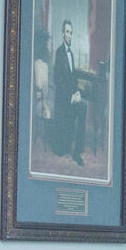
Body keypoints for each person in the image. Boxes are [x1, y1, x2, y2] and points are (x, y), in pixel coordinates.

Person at [47, 18, 85, 166]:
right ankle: (64, 145)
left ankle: (77, 152)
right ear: (62, 33)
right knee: (61, 149)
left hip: (71, 97)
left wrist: (77, 93)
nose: (69, 35)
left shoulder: (72, 54)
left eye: (71, 33)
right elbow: (58, 81)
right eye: (67, 32)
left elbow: (73, 80)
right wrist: (70, 97)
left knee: (83, 107)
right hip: (63, 99)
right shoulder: (59, 52)